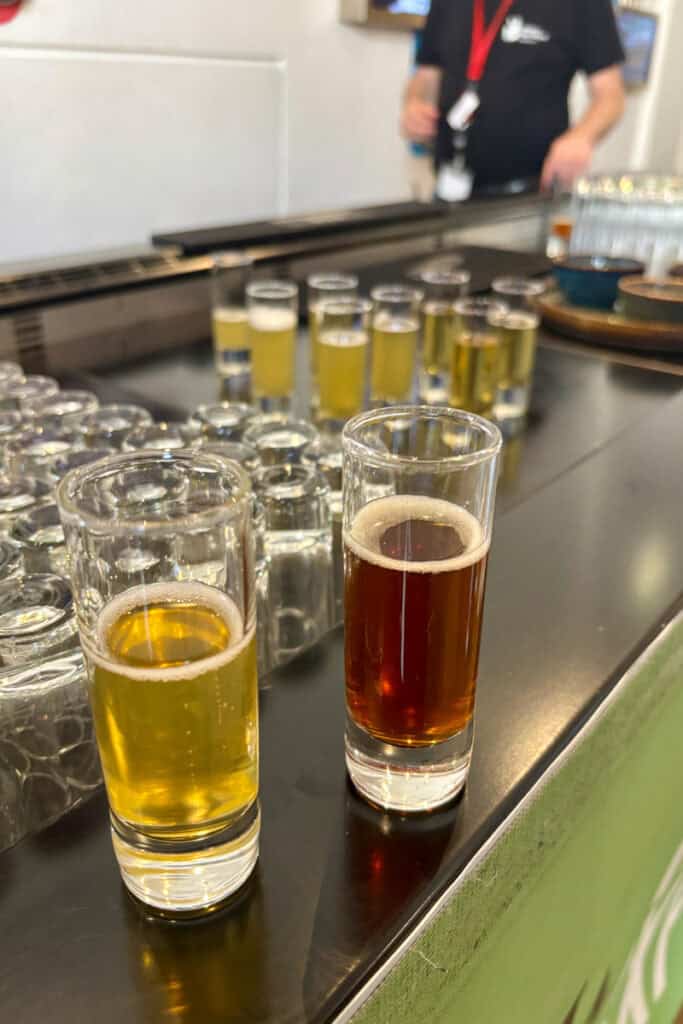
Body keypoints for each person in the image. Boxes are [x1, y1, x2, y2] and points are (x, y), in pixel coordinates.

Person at [401, 0, 625, 197]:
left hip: (526, 197)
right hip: (447, 188)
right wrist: (414, 102)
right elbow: (427, 73)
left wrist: (581, 137)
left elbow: (610, 96)